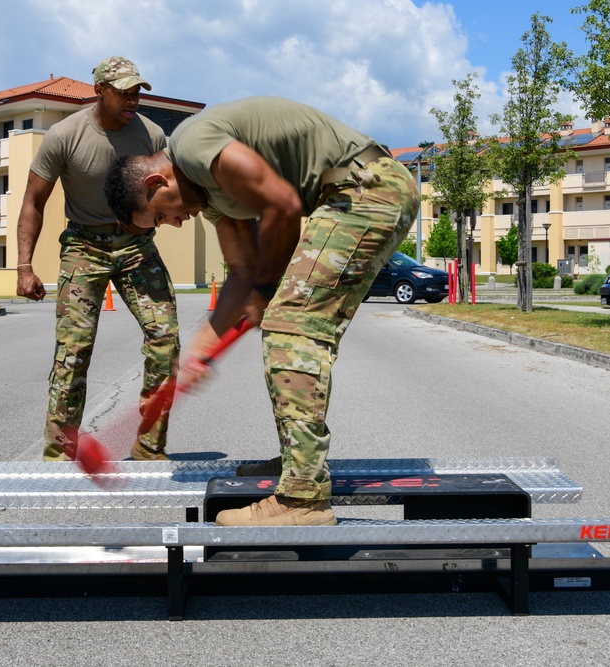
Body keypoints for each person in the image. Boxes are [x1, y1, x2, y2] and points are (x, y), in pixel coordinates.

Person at [104, 97, 419, 526]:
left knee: (292, 326)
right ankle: (297, 464)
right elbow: (243, 270)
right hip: (353, 196)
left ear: (157, 182)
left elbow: (284, 206)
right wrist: (201, 349)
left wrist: (265, 292)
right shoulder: (212, 196)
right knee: (285, 322)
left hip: (366, 190)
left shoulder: (194, 145)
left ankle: (303, 499)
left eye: (161, 215)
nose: (175, 223)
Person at [16, 56, 180, 462]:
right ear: (99, 91)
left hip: (137, 246)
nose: (132, 99)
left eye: (137, 91)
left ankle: (149, 449)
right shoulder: (64, 135)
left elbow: (171, 190)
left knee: (166, 340)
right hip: (83, 246)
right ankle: (59, 455)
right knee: (74, 352)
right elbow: (33, 201)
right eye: (123, 91)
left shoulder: (153, 135)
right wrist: (24, 266)